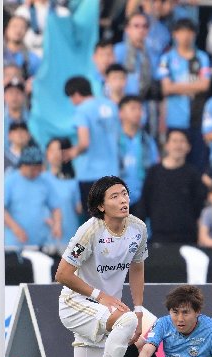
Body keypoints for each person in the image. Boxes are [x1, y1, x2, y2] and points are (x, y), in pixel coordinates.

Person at [1, 176, 148, 357]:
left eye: (124, 194)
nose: (123, 200)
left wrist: (138, 309)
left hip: (103, 310)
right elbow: (62, 274)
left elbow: (137, 267)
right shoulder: (89, 231)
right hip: (76, 304)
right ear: (101, 206)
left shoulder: (138, 229)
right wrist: (101, 297)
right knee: (124, 321)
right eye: (114, 196)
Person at [157, 18, 211, 172]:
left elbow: (205, 85)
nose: (185, 36)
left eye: (189, 32)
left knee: (197, 166)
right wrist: (193, 87)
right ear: (174, 34)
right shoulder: (166, 58)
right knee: (175, 164)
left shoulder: (202, 58)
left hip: (197, 120)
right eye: (181, 32)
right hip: (175, 121)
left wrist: (177, 87)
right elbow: (166, 88)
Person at [136, 129, 206, 244]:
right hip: (160, 238)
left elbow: (199, 208)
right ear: (167, 146)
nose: (178, 145)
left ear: (189, 147)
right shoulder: (154, 173)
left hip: (188, 238)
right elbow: (143, 205)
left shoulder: (193, 174)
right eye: (174, 141)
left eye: (182, 141)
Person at [63, 76, 121, 205]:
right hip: (113, 172)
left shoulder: (82, 110)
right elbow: (118, 136)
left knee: (95, 222)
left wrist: (73, 152)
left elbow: (84, 143)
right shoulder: (111, 105)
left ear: (76, 94)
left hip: (90, 174)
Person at [4, 145, 62, 247]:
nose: (37, 172)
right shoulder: (10, 181)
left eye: (39, 169)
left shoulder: (44, 181)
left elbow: (55, 207)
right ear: (23, 165)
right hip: (15, 243)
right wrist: (15, 228)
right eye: (33, 169)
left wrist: (57, 224)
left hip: (41, 243)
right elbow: (0, 210)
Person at [118, 95, 159, 210]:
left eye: (140, 109)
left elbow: (154, 169)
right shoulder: (112, 141)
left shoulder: (147, 141)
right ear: (121, 113)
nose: (138, 112)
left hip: (143, 199)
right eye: (133, 108)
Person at [44, 137, 83, 245]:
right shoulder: (39, 180)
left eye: (60, 150)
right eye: (52, 150)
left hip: (70, 240)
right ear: (46, 153)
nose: (56, 154)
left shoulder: (74, 181)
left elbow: (79, 208)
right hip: (46, 240)